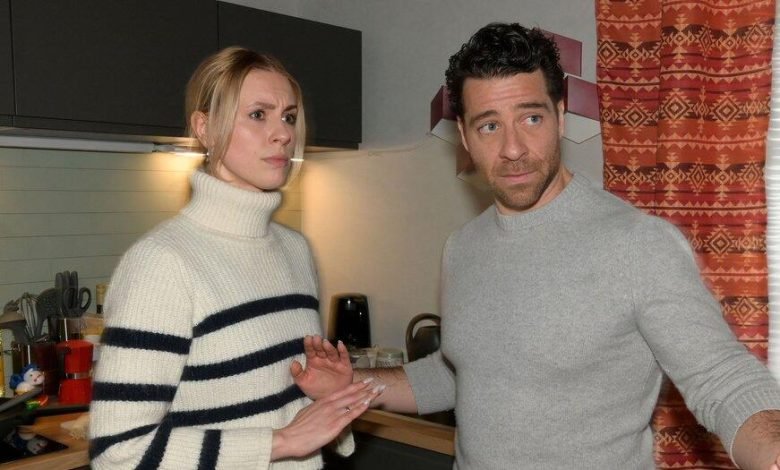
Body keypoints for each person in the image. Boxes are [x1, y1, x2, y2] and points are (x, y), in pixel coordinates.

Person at [296, 23, 780, 469]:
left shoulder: (637, 243)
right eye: (489, 125)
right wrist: (354, 384)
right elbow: (464, 375)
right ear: (464, 135)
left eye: (530, 118)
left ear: (560, 116)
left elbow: (723, 379)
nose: (512, 148)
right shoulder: (462, 247)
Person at [88, 46, 380, 470]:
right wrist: (280, 442)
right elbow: (118, 452)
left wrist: (327, 397)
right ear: (205, 128)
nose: (283, 134)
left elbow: (282, 419)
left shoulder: (294, 250)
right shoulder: (162, 263)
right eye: (258, 115)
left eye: (289, 117)